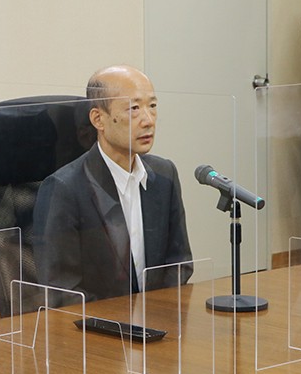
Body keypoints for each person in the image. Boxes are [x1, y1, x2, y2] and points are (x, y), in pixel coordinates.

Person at [32, 65, 193, 303]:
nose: (148, 120)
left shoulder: (164, 175)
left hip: (157, 318)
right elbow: (61, 290)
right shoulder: (64, 188)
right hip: (94, 323)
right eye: (134, 108)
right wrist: (122, 320)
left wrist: (157, 312)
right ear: (98, 119)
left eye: (152, 106)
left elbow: (179, 263)